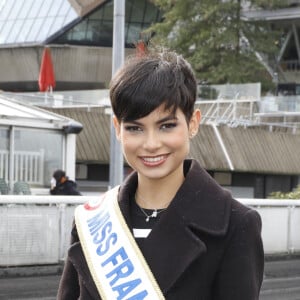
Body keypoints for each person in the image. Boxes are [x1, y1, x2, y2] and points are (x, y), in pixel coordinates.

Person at [57, 49, 264, 299]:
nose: (151, 143)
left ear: (193, 123)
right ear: (117, 129)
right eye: (135, 128)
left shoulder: (236, 224)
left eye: (166, 126)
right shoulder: (92, 221)